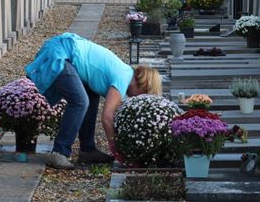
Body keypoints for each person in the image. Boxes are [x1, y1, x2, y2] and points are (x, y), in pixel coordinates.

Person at [25, 32, 162, 169]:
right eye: (143, 95)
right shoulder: (123, 78)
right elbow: (107, 118)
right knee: (80, 102)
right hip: (60, 52)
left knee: (91, 95)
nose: (137, 99)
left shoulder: (125, 74)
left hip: (66, 50)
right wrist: (116, 148)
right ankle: (59, 152)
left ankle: (87, 150)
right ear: (143, 85)